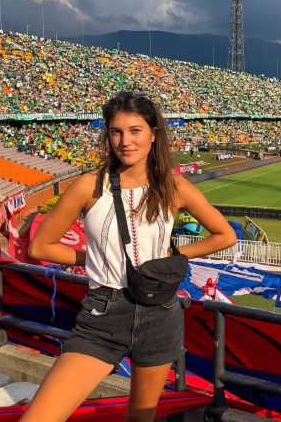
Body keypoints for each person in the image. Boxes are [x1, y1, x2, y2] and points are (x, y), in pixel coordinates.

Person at [23, 92, 237, 422]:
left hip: (160, 313)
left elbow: (225, 235)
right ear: (107, 136)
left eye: (135, 130)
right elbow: (40, 247)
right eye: (116, 132)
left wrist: (174, 253)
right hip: (103, 314)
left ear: (154, 134)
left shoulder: (174, 186)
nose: (125, 141)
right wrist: (95, 257)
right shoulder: (87, 187)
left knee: (140, 418)